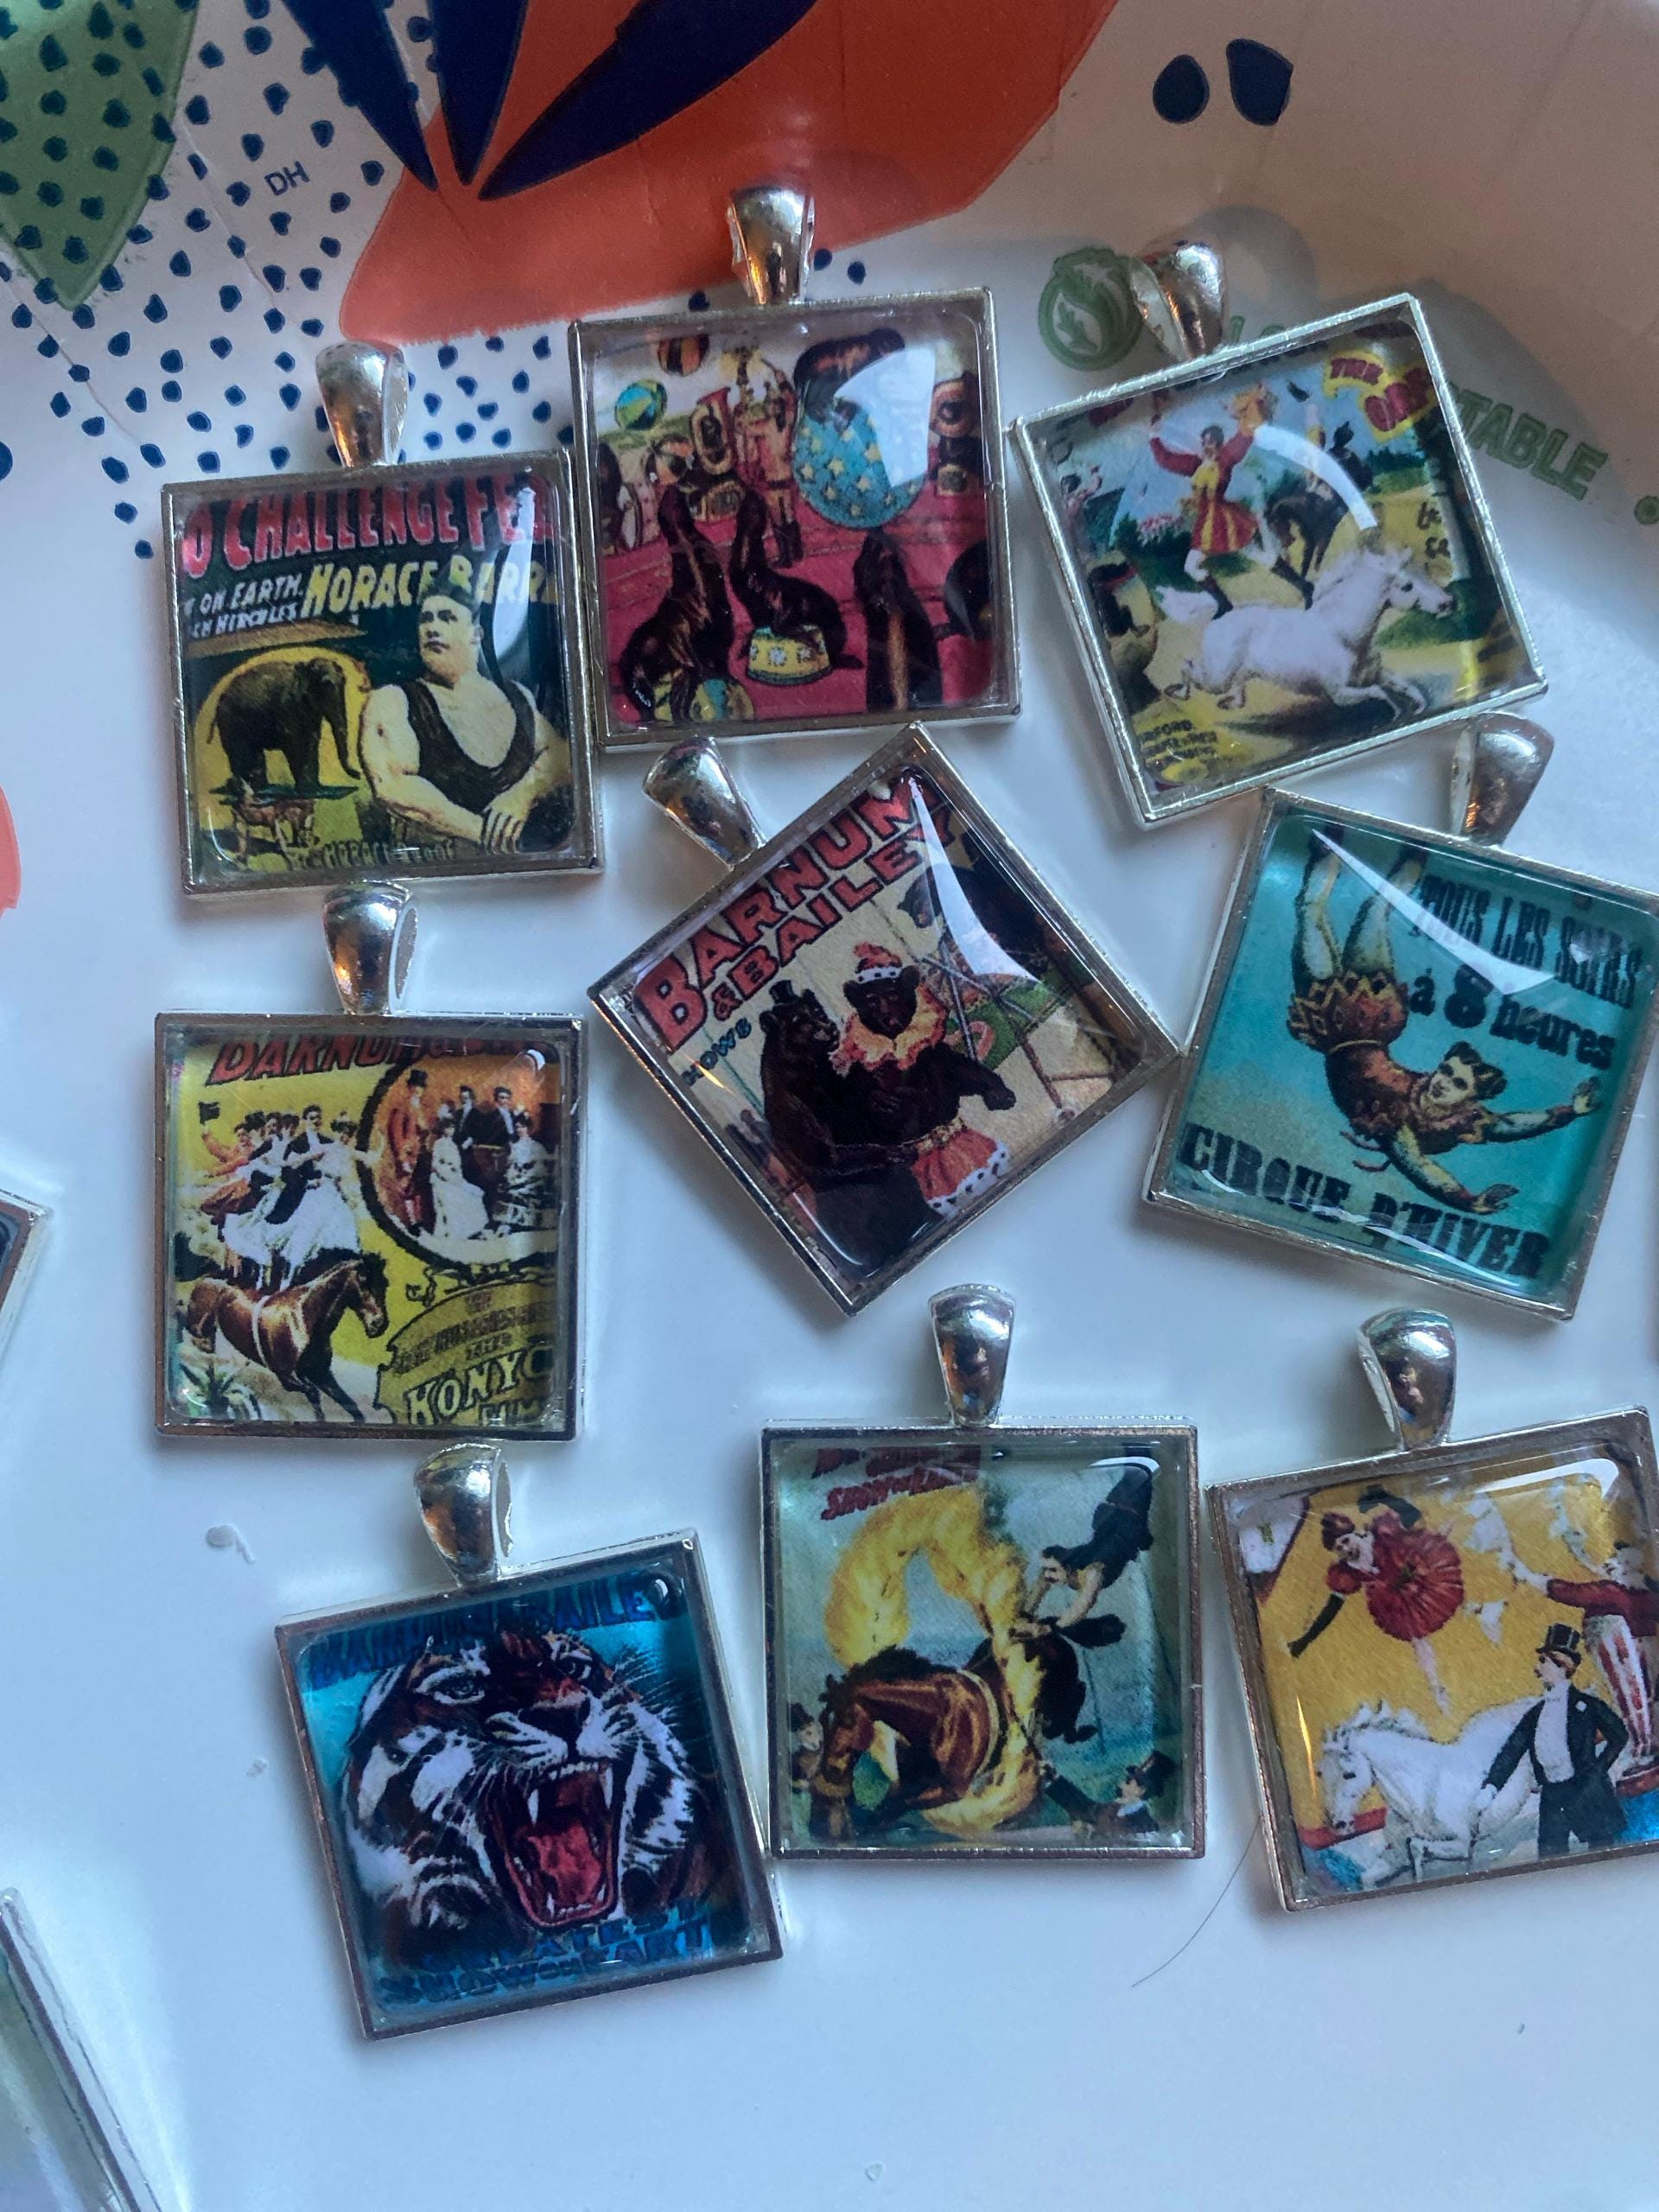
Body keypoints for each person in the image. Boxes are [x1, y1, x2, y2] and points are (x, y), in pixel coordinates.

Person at [1287, 836, 1601, 1215]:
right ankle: (1416, 854)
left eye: (1458, 1084)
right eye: (1447, 1072)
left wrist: (1466, 1199)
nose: (1443, 1082)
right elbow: (1507, 1123)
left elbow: (1425, 1161)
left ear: (1470, 1099)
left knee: (1311, 913)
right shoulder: (1415, 1087)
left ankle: (1341, 852)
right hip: (1373, 1016)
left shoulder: (1400, 1120)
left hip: (1333, 1022)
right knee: (1375, 911)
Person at [359, 585, 573, 855]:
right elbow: (394, 787)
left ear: (476, 634)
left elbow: (562, 755)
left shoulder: (517, 696)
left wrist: (522, 794)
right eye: (425, 620)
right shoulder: (393, 700)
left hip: (536, 861)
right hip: (445, 865)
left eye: (447, 618)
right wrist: (489, 837)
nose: (432, 628)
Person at [830, 942, 1016, 1218]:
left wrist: (991, 1085)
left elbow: (956, 1069)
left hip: (960, 1144)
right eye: (873, 1003)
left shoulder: (923, 1047)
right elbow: (852, 1116)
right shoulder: (865, 1065)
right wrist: (873, 1108)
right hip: (914, 1168)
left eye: (892, 999)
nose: (884, 1010)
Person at [1289, 1484, 1465, 1712]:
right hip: (1396, 1599)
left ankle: (1477, 1607)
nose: (1345, 1549)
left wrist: (1385, 1497)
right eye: (1339, 1548)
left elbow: (1413, 1516)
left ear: (1354, 1533)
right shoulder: (1347, 1571)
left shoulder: (1380, 1533)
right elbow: (1331, 1609)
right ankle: (1436, 1687)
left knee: (1442, 1562)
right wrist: (1305, 1640)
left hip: (1418, 1570)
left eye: (1345, 1541)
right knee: (1418, 1638)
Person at [1476, 1623, 1626, 1859]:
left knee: (1602, 1852)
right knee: (1550, 1855)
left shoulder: (1587, 1706)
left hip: (1586, 1789)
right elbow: (1512, 1750)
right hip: (1553, 1793)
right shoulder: (1536, 1714)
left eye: (1544, 1661)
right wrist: (1491, 1787)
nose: (1538, 1668)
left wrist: (1599, 1769)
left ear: (1561, 1665)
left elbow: (1619, 1735)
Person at [1512, 1535, 1659, 1764]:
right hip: (1636, 1651)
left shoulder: (1612, 1592)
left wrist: (1535, 1579)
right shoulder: (1643, 1596)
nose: (1609, 1564)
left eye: (1616, 1561)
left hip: (1616, 1649)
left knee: (1628, 1697)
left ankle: (1642, 1746)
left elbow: (1572, 1593)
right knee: (1642, 1696)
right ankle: (1645, 1742)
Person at [1147, 385, 1287, 613]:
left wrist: (1254, 401)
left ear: (1219, 444)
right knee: (1191, 566)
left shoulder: (1226, 458)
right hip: (1206, 524)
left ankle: (1303, 585)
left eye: (1211, 441)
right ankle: (1223, 603)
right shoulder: (1194, 464)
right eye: (1204, 441)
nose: (1206, 445)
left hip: (1225, 519)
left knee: (1258, 556)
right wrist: (1154, 436)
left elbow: (1246, 433)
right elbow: (1166, 460)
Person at [280, 1115, 378, 1281]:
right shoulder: (326, 1148)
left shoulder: (348, 1152)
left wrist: (381, 1141)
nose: (344, 1136)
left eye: (348, 1134)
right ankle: (290, 1273)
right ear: (336, 1132)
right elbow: (297, 1161)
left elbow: (369, 1158)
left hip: (335, 1194)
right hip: (319, 1193)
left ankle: (346, 1270)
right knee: (309, 1230)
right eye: (341, 1132)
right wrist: (300, 1164)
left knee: (346, 1225)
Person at [429, 1103, 490, 1243]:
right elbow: (435, 1164)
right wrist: (446, 1174)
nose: (451, 1130)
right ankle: (458, 1231)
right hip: (443, 1181)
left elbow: (457, 1166)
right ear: (442, 1129)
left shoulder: (453, 1144)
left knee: (475, 1194)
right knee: (460, 1199)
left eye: (452, 1127)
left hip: (455, 1179)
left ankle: (473, 1229)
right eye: (448, 1128)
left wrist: (457, 1177)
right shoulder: (439, 1144)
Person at [385, 1066, 435, 1234]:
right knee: (408, 1188)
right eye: (415, 1086)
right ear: (409, 1087)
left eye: (421, 1086)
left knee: (420, 1187)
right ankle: (412, 1222)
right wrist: (402, 1158)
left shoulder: (423, 1109)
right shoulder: (402, 1108)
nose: (418, 1090)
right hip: (408, 1155)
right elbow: (396, 1134)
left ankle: (420, 1220)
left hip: (422, 1153)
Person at [495, 1109, 552, 1235]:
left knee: (521, 1192)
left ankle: (525, 1224)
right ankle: (507, 1224)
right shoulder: (514, 1146)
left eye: (523, 1127)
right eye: (517, 1127)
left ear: (528, 1128)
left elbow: (540, 1169)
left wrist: (526, 1177)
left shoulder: (536, 1146)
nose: (520, 1130)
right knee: (509, 1191)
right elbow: (511, 1167)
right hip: (518, 1178)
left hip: (532, 1180)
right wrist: (514, 1176)